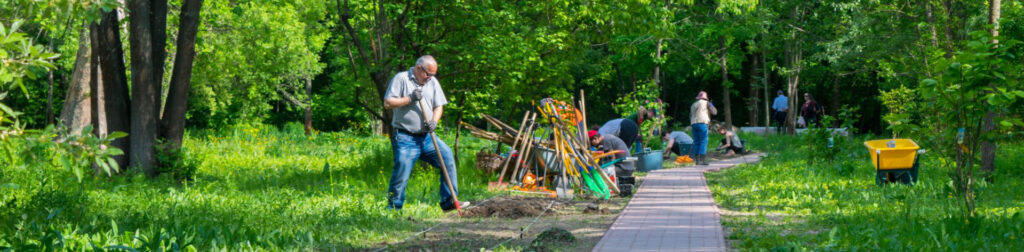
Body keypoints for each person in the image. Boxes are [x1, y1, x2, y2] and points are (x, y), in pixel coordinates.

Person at [382, 55, 468, 211]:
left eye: (433, 75)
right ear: (419, 68)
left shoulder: (432, 82)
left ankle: (449, 201)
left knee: (447, 157)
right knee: (401, 171)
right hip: (405, 137)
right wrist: (410, 98)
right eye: (428, 74)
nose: (430, 78)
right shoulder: (401, 79)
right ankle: (393, 208)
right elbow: (388, 103)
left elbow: (439, 105)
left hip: (427, 138)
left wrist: (434, 121)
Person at [589, 130, 635, 196]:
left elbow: (611, 158)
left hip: (623, 168)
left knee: (600, 172)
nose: (593, 146)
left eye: (591, 143)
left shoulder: (606, 140)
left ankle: (608, 191)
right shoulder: (608, 138)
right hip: (627, 166)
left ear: (595, 138)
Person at [690, 91, 717, 166]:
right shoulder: (706, 103)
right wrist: (711, 104)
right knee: (703, 141)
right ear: (706, 98)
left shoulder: (693, 104)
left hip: (694, 124)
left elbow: (690, 115)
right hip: (702, 123)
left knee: (696, 142)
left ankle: (697, 161)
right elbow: (714, 112)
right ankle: (702, 161)